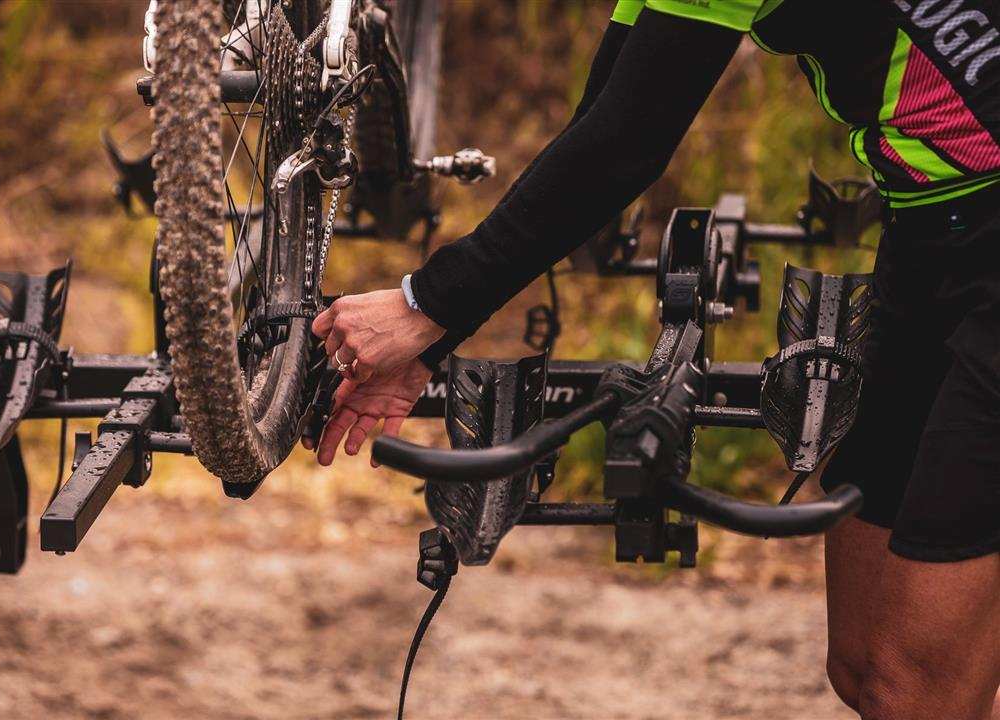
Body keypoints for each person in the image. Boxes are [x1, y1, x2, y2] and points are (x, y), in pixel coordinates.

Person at [309, 1, 1000, 716]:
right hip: (928, 237)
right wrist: (433, 333)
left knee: (917, 688)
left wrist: (423, 303)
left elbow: (626, 146)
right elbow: (600, 122)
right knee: (863, 667)